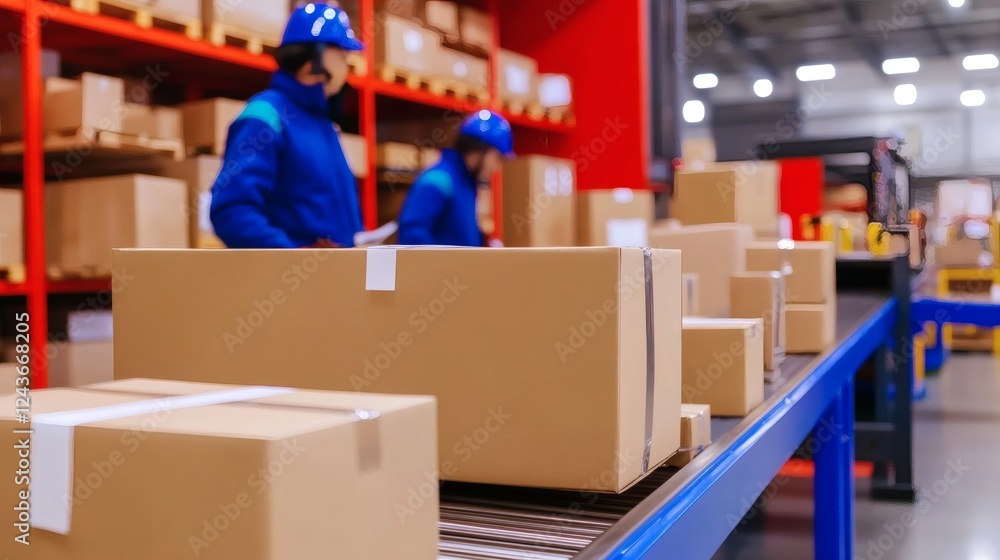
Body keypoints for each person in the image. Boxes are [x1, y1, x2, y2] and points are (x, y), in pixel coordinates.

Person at [210, 3, 364, 249]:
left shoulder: (321, 122)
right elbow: (231, 211)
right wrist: (292, 257)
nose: (348, 64)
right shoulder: (265, 116)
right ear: (316, 55)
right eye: (343, 54)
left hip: (333, 281)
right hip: (292, 283)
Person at [398, 110, 514, 246]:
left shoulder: (465, 182)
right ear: (480, 150)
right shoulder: (438, 181)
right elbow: (412, 235)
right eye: (497, 158)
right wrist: (443, 265)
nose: (497, 167)